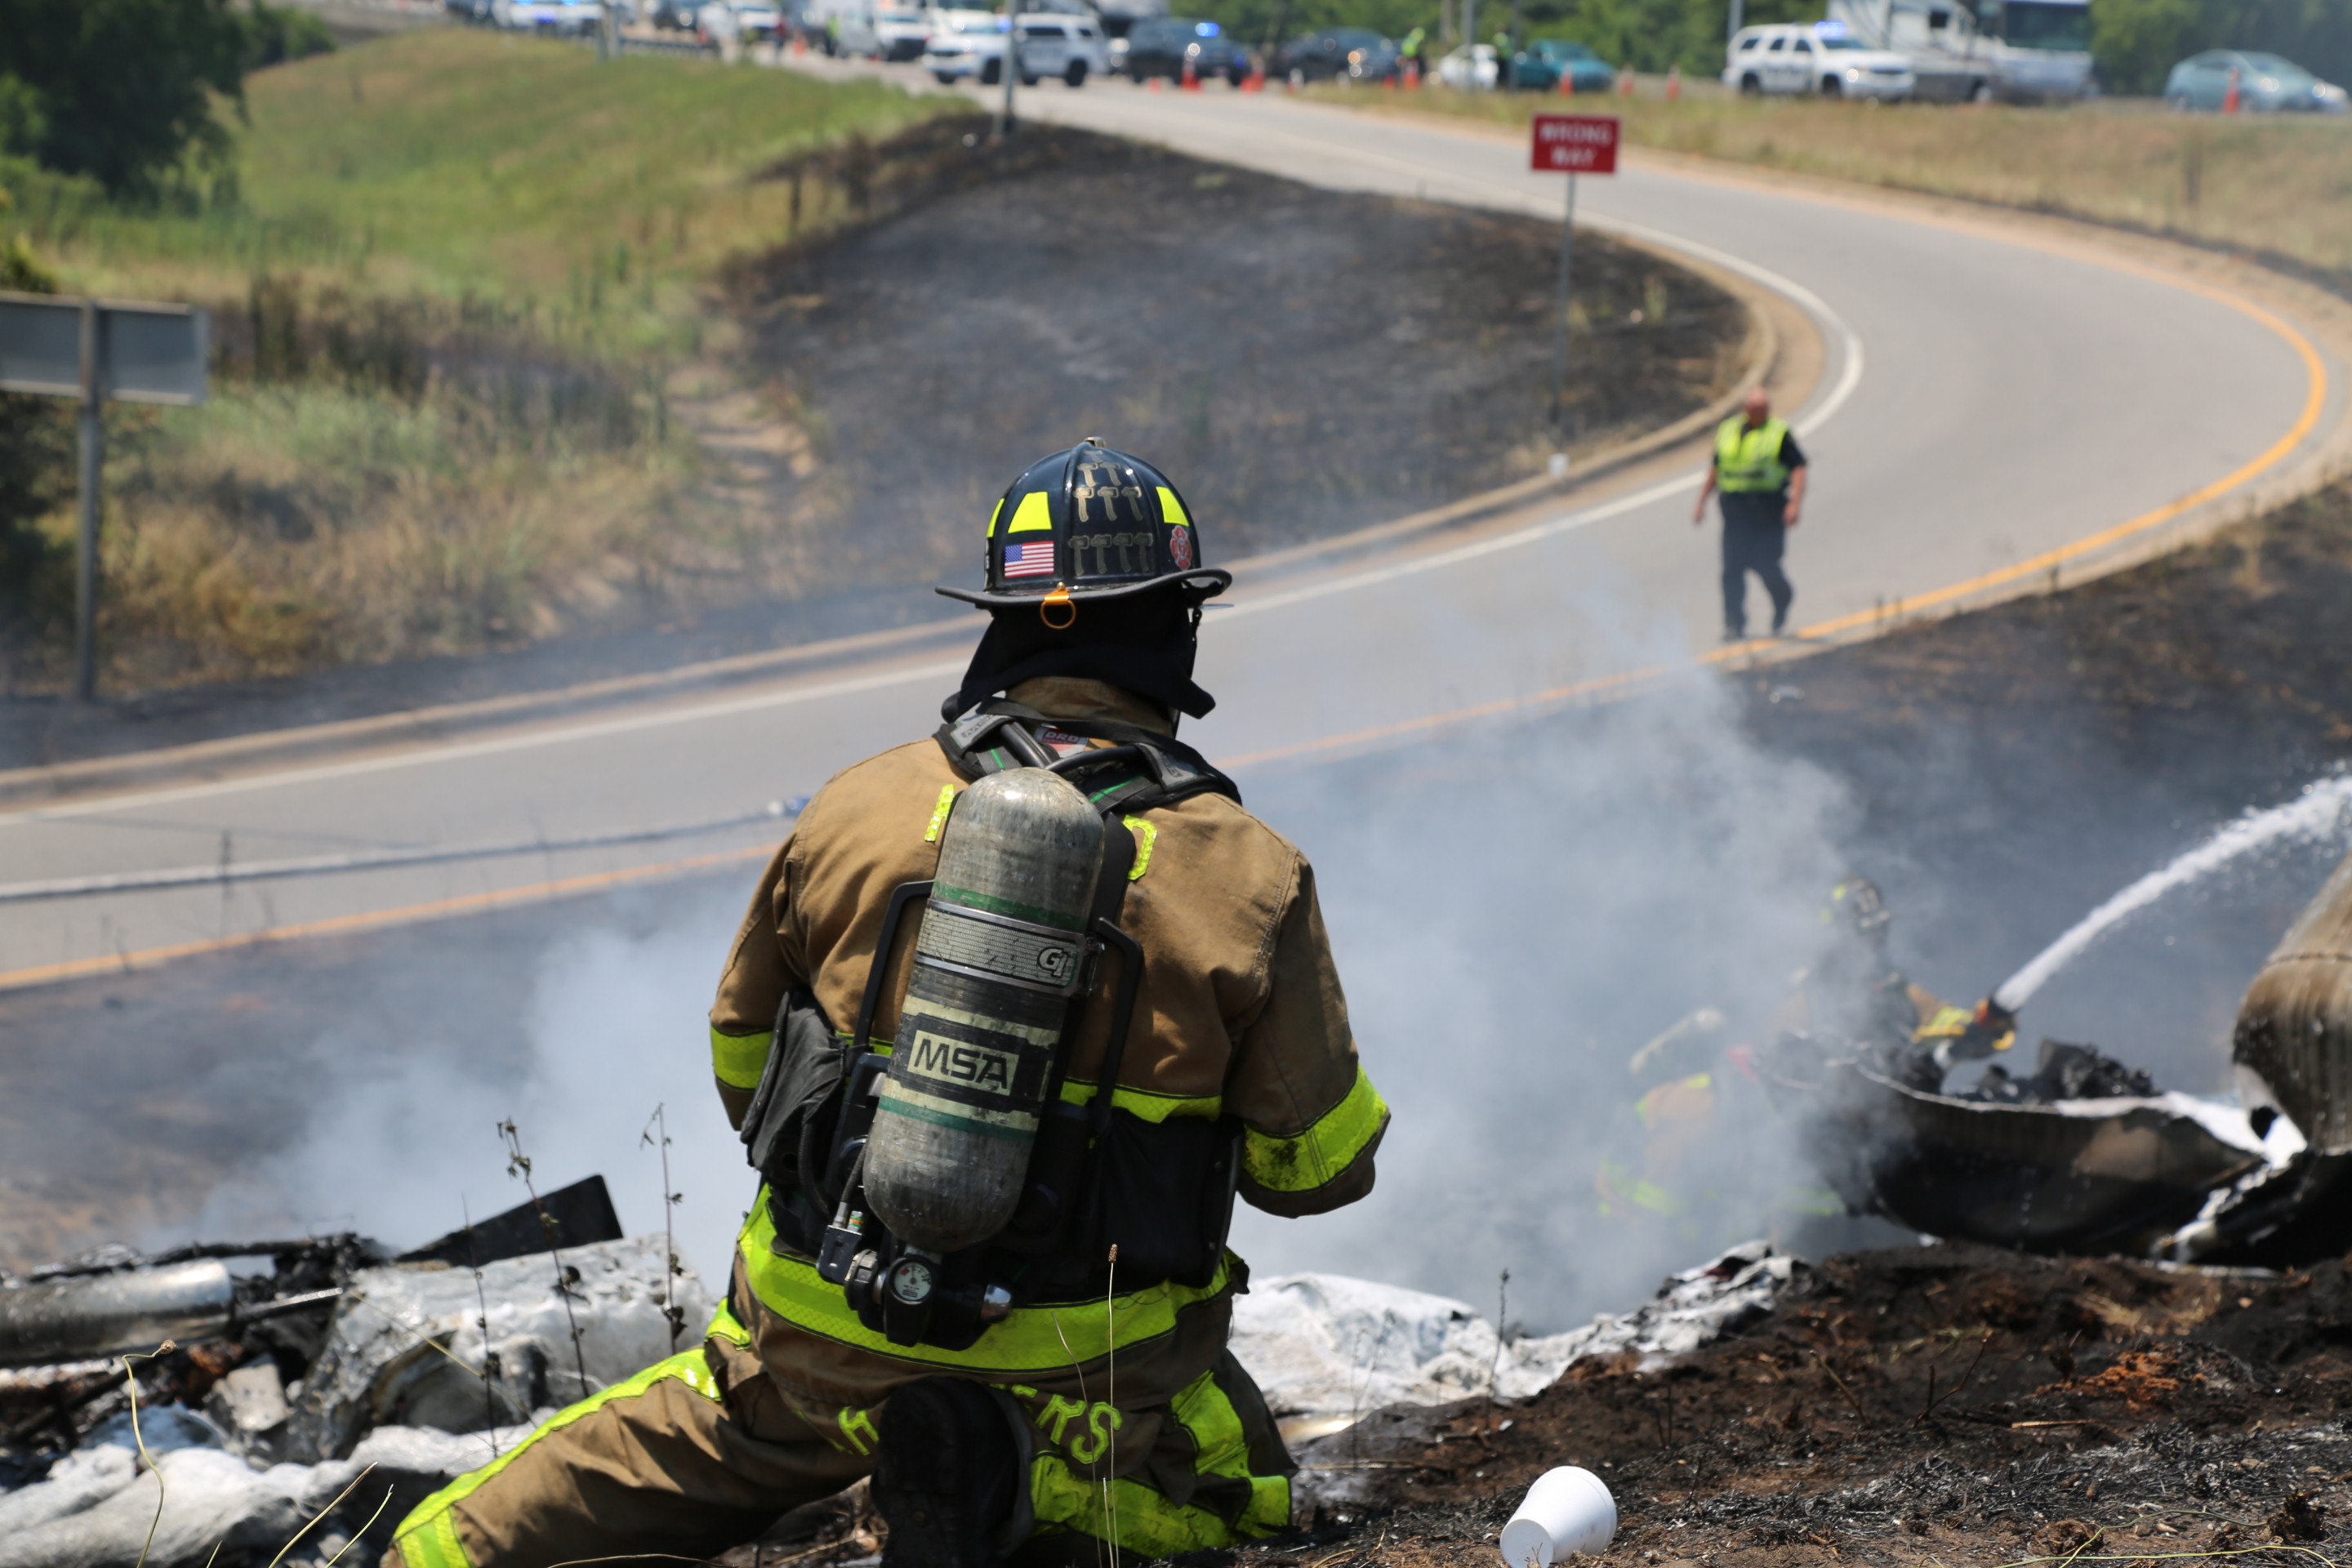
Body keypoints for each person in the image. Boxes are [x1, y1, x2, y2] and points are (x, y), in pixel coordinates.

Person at [386, 440, 1389, 1568]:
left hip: (818, 1350)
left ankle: (421, 1553)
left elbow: (740, 1067)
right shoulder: (1250, 871)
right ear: (1175, 625)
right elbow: (1315, 1173)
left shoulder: (856, 805)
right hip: (1081, 1374)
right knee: (1241, 1493)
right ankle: (1026, 1481)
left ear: (1001, 621)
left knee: (610, 1470)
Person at [1691, 387, 1807, 643]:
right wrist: (1701, 502)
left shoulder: (1778, 433)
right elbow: (1716, 467)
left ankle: (1782, 599)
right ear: (1746, 409)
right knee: (1732, 570)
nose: (1760, 413)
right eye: (1755, 408)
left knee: (1766, 566)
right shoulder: (1728, 431)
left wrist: (1795, 504)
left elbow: (1798, 467)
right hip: (1735, 513)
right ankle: (1735, 624)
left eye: (1764, 408)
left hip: (1768, 511)